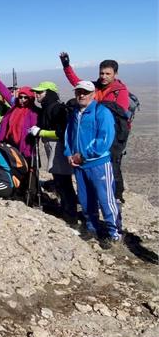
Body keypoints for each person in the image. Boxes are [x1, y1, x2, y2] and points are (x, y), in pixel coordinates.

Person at [60, 52, 130, 203]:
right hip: (96, 131)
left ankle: (116, 196)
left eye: (107, 73)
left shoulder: (120, 91)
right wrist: (66, 66)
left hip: (115, 132)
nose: (104, 76)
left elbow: (119, 112)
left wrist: (97, 106)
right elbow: (77, 82)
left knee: (113, 161)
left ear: (115, 74)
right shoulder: (95, 86)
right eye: (101, 73)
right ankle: (93, 194)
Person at [64, 80, 122, 248]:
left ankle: (114, 234)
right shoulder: (75, 112)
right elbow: (69, 135)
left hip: (98, 164)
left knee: (106, 199)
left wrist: (83, 155)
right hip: (80, 165)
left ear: (93, 94)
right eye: (78, 92)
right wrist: (68, 153)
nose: (81, 95)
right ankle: (92, 228)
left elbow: (104, 140)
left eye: (85, 92)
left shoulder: (101, 112)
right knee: (85, 198)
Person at [28, 81, 78, 224]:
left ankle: (70, 215)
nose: (36, 95)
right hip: (54, 149)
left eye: (40, 92)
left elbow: (62, 133)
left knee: (63, 182)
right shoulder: (48, 108)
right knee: (60, 181)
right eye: (36, 92)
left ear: (49, 93)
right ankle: (67, 211)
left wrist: (41, 132)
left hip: (59, 149)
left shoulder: (56, 109)